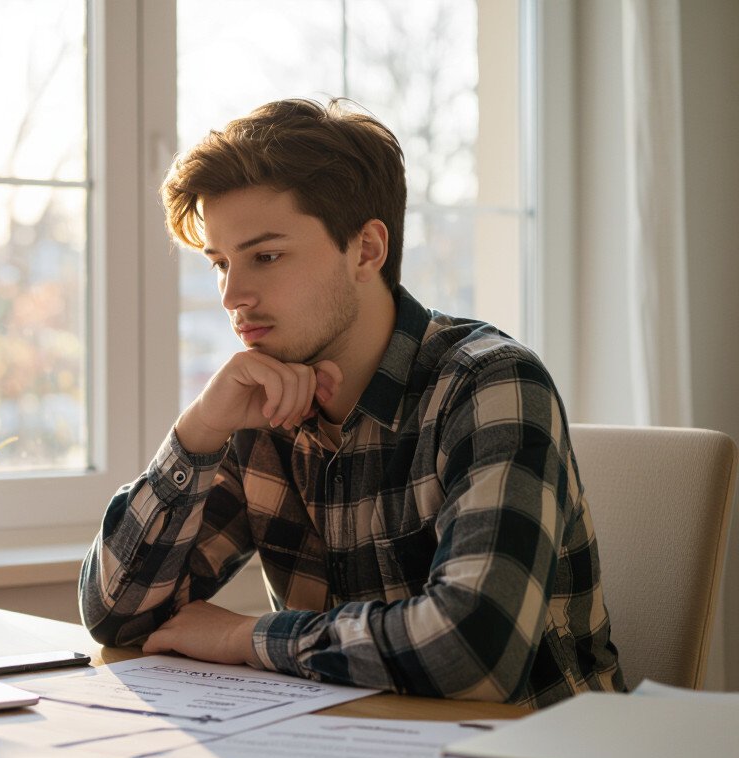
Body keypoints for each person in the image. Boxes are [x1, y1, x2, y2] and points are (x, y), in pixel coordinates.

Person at [79, 97, 624, 707]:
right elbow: (117, 615)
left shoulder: (490, 383)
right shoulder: (263, 403)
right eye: (220, 263)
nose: (232, 294)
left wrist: (244, 636)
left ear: (366, 249)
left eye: (265, 256)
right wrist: (199, 430)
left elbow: (473, 654)